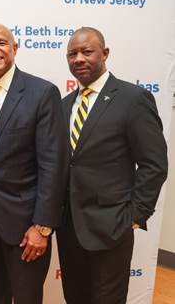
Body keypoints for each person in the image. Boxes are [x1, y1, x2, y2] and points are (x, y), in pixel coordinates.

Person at [57, 27, 168, 304]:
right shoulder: (64, 104)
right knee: (75, 298)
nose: (78, 58)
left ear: (105, 54)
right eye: (72, 54)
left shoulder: (132, 99)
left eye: (87, 51)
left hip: (111, 228)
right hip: (69, 228)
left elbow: (154, 164)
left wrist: (134, 214)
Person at [0, 23, 68, 304]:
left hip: (26, 224)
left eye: (1, 42)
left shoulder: (42, 92)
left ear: (14, 48)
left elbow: (53, 165)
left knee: (26, 298)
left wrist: (43, 226)